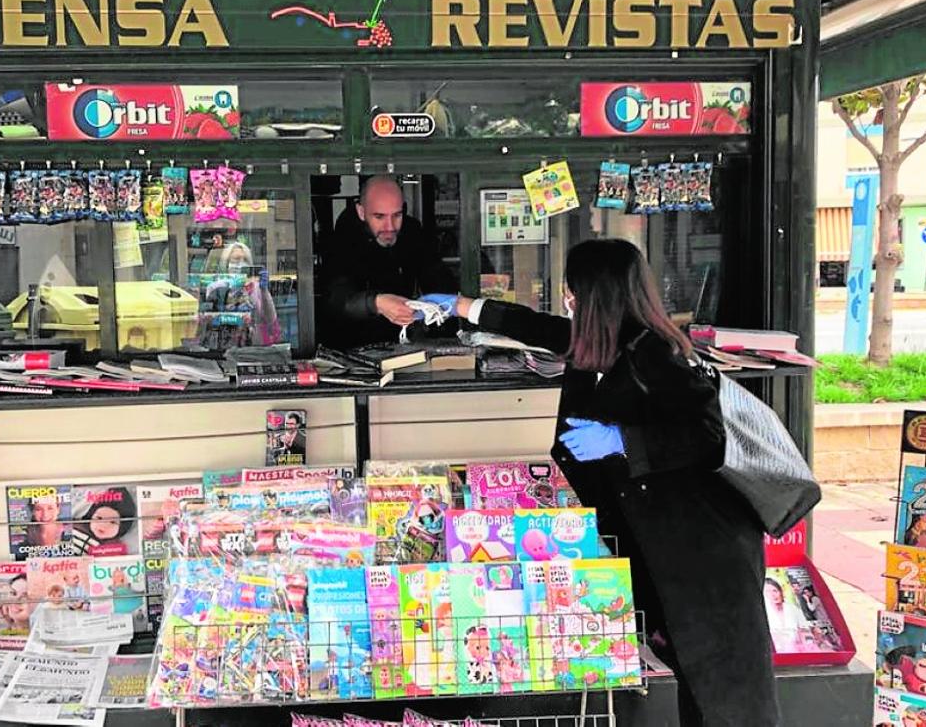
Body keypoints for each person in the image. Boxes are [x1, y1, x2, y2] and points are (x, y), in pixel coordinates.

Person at [418, 238, 778, 726]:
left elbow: (708, 435)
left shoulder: (658, 353)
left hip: (705, 555)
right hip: (663, 545)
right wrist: (463, 306)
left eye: (573, 289)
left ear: (596, 295)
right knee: (694, 679)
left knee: (727, 698)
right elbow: (541, 328)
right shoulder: (605, 339)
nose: (567, 298)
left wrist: (620, 440)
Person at [319, 175, 457, 348]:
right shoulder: (343, 239)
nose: (389, 227)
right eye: (379, 217)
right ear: (361, 212)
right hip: (349, 343)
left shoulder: (412, 232)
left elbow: (438, 278)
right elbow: (336, 299)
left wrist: (432, 311)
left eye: (397, 215)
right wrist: (376, 303)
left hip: (401, 341)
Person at [765, 577, 811, 652]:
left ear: (780, 591)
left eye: (775, 591)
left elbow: (805, 629)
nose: (773, 595)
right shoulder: (764, 612)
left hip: (797, 651)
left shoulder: (793, 609)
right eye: (768, 592)